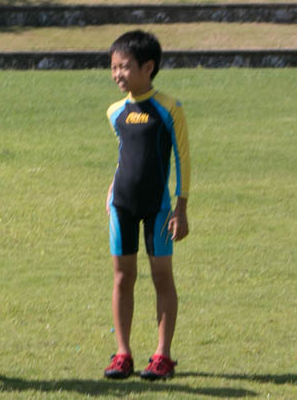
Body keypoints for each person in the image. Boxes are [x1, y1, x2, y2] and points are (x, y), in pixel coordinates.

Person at [102, 30, 190, 381]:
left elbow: (183, 159)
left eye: (124, 67)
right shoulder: (114, 112)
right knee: (123, 277)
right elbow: (126, 156)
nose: (117, 74)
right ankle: (122, 353)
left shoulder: (169, 108)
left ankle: (162, 356)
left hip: (158, 208)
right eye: (113, 67)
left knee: (161, 276)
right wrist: (112, 188)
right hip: (121, 206)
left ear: (148, 67)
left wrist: (181, 208)